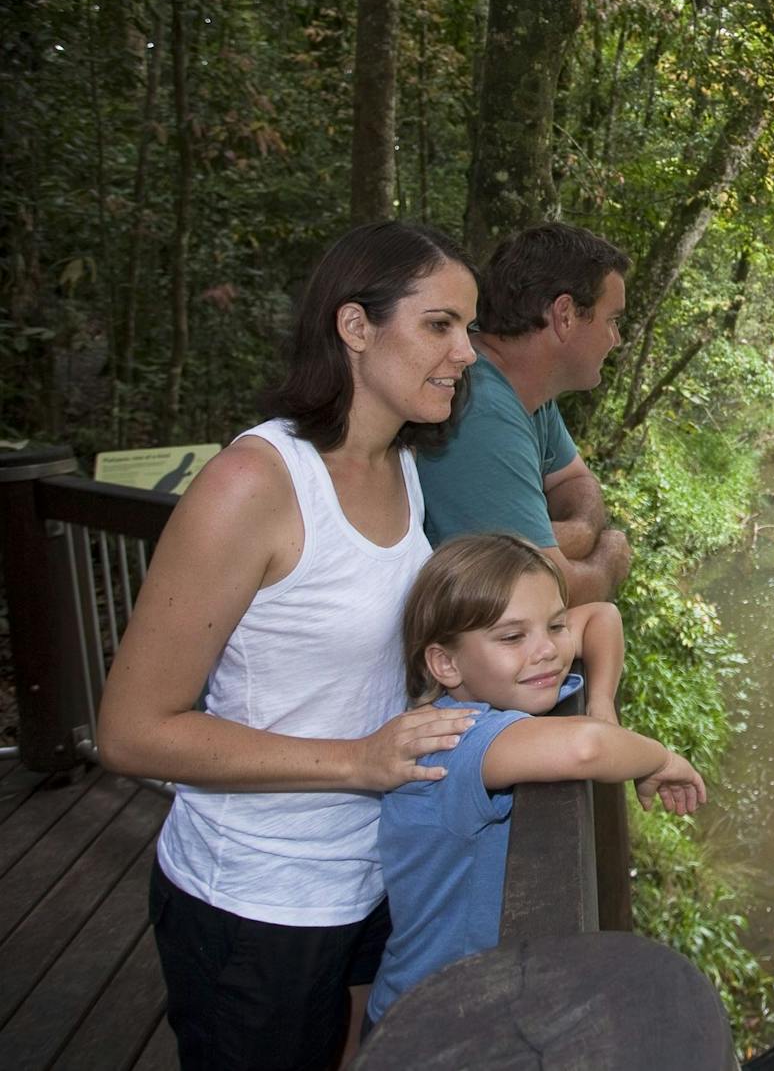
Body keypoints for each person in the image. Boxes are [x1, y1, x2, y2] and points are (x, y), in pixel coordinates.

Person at [98, 221, 484, 1071]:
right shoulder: (254, 484)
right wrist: (356, 761)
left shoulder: (399, 468)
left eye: (468, 327)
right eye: (440, 324)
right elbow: (130, 732)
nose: (467, 352)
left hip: (368, 873)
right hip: (254, 901)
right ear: (354, 327)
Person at [366, 533, 706, 1026]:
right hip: (433, 1025)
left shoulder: (488, 693)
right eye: (512, 637)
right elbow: (585, 748)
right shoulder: (452, 739)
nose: (547, 651)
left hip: (468, 1004)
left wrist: (601, 702)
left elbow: (600, 616)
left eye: (554, 626)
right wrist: (660, 759)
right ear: (445, 663)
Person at [415, 223, 632, 606]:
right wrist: (610, 554)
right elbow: (544, 594)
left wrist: (578, 530)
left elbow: (575, 480)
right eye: (612, 320)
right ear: (565, 315)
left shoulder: (526, 387)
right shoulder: (479, 408)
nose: (616, 339)